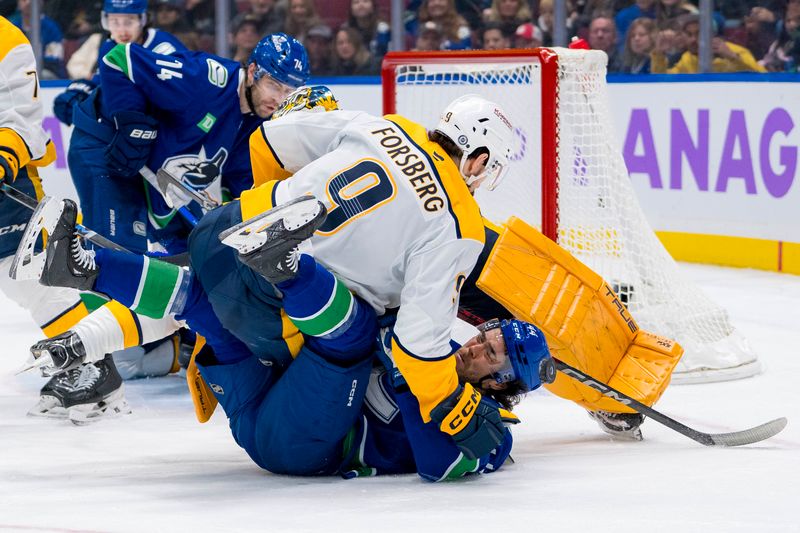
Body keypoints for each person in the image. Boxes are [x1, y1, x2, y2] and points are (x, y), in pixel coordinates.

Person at [0, 15, 96, 420]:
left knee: (31, 276)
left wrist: (3, 157)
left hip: (9, 182)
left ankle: (92, 372)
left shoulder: (6, 38)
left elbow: (21, 115)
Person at [651, 14, 767, 73]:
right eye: (689, 34)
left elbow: (763, 77)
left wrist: (733, 57)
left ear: (712, 35)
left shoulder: (735, 51)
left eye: (698, 34)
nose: (693, 40)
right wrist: (659, 55)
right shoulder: (688, 59)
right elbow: (663, 82)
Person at [8, 0, 66, 78]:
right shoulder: (12, 27)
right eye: (24, 0)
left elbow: (54, 59)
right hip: (17, 73)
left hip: (47, 74)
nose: (28, 3)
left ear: (41, 2)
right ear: (18, 3)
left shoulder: (52, 28)